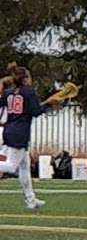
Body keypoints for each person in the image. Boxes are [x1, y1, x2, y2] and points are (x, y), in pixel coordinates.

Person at [0, 63, 63, 209]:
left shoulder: (10, 92)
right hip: (20, 132)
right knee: (11, 166)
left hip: (10, 129)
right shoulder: (29, 92)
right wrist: (49, 104)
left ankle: (30, 199)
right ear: (26, 79)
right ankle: (30, 199)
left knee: (24, 167)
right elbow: (35, 111)